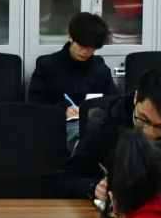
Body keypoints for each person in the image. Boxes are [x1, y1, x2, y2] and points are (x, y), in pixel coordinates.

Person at [59, 67, 161, 200]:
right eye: (143, 120)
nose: (149, 132)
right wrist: (94, 187)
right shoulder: (104, 125)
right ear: (136, 98)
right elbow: (67, 180)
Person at [28, 12, 118, 149]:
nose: (85, 52)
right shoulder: (47, 66)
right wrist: (63, 110)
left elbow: (113, 101)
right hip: (57, 126)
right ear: (71, 37)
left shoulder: (100, 68)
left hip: (93, 124)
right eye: (82, 46)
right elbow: (35, 106)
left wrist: (95, 110)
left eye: (91, 48)